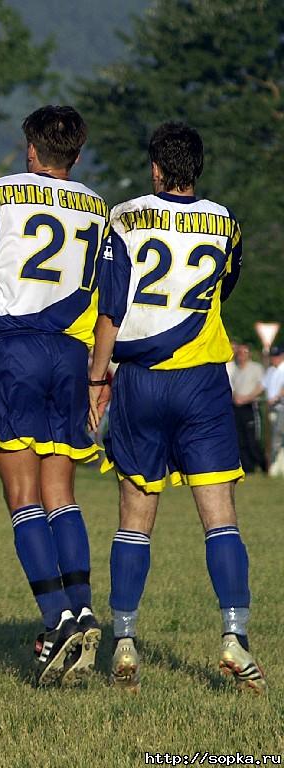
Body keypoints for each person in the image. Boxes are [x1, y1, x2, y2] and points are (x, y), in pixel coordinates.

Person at [89, 122, 266, 694]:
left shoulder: (125, 215)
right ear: (198, 168)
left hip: (140, 378)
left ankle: (124, 642)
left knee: (135, 517)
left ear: (155, 169)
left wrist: (98, 377)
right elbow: (223, 285)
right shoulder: (226, 223)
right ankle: (235, 638)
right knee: (219, 516)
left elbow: (111, 305)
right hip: (202, 379)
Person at [0, 105, 107, 686]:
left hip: (16, 349)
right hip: (70, 355)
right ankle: (82, 607)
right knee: (62, 494)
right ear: (75, 156)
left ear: (30, 150)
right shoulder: (99, 208)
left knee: (22, 495)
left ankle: (55, 624)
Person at [229, 344, 266, 474]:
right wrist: (235, 397)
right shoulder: (236, 370)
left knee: (252, 439)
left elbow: (261, 386)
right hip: (237, 407)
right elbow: (232, 387)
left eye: (244, 352)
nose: (241, 355)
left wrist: (247, 398)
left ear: (249, 354)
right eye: (239, 353)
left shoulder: (256, 368)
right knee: (240, 439)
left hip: (249, 406)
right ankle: (247, 467)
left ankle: (263, 465)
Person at [264, 346, 284, 476]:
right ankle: (277, 466)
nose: (274, 359)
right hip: (272, 409)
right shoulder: (270, 370)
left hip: (281, 407)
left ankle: (275, 466)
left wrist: (276, 397)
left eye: (276, 356)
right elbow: (262, 385)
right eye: (272, 356)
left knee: (278, 436)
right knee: (275, 437)